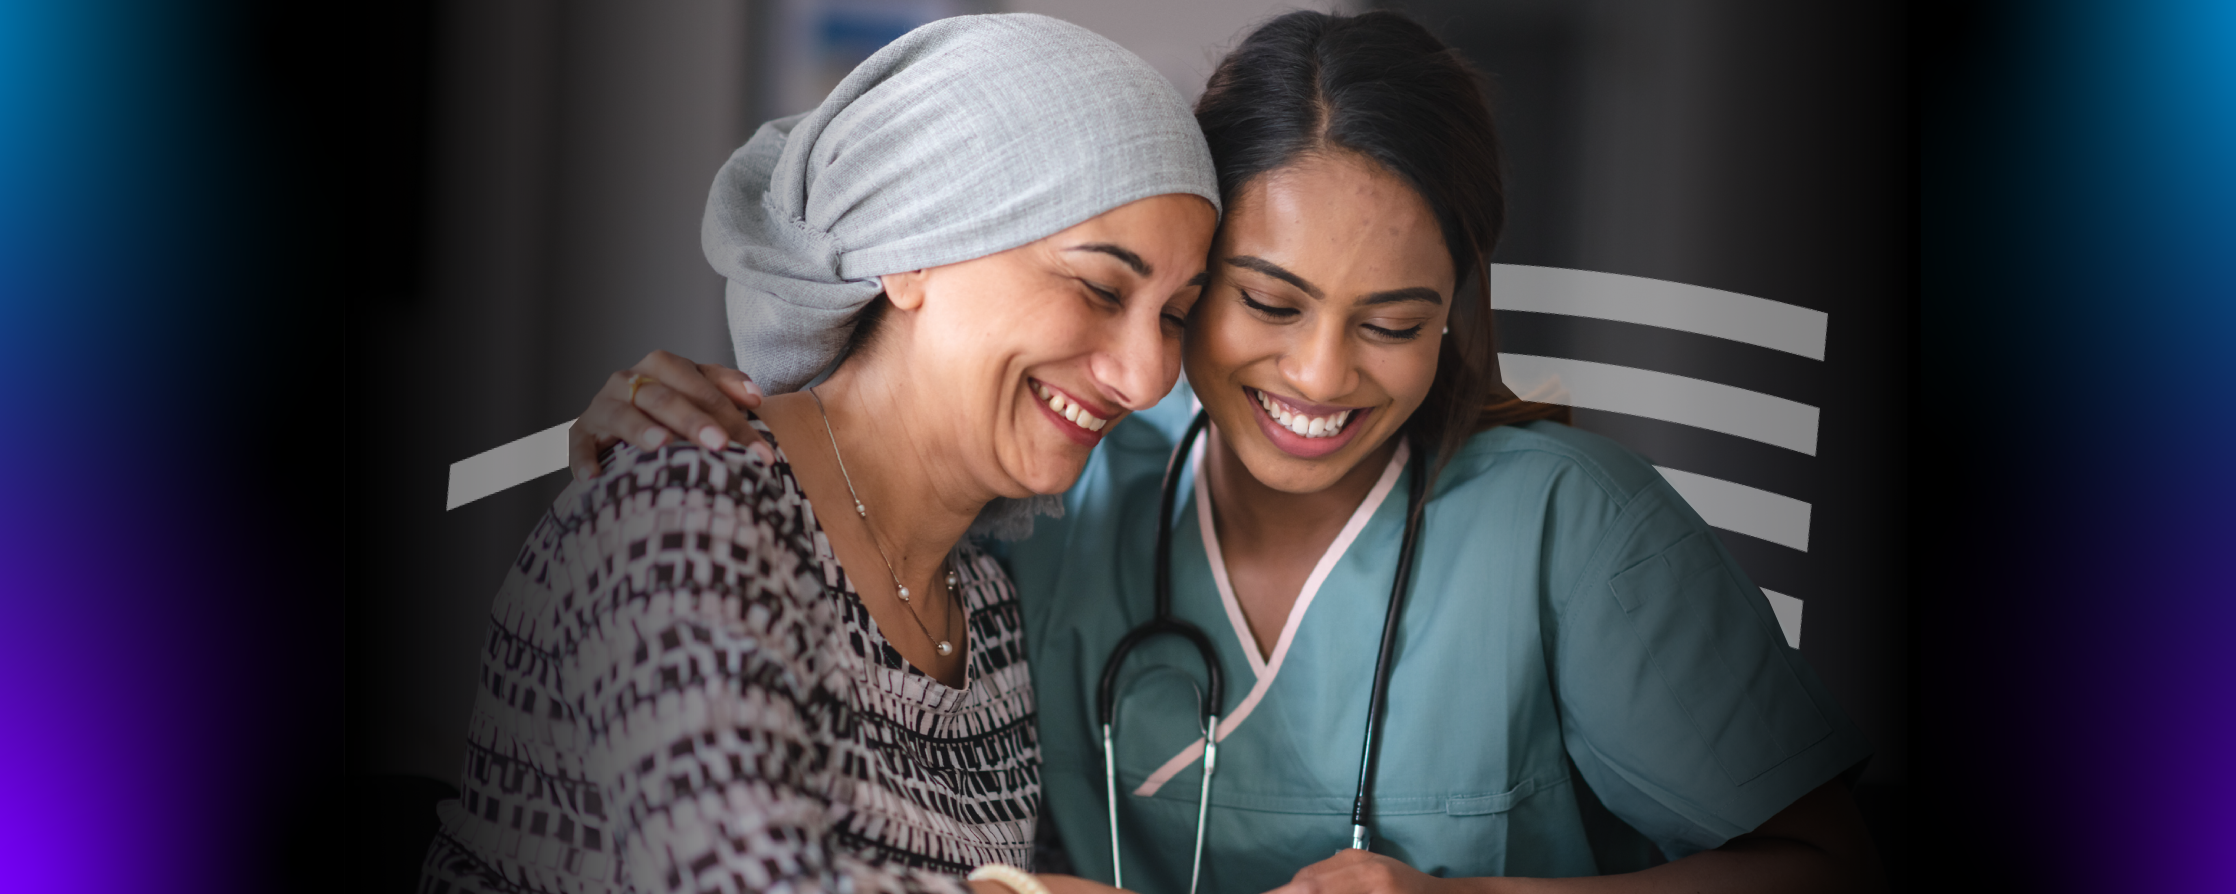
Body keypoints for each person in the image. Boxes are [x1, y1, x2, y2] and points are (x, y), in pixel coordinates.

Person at [565, 10, 1886, 894]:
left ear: (1457, 315)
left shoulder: (1571, 531)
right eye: (1258, 302)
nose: (1319, 376)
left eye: (1395, 322)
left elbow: (1838, 855)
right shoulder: (1060, 494)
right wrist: (685, 434)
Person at [419, 15, 1221, 894]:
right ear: (912, 251)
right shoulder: (689, 509)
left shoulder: (986, 602)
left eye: (1175, 314)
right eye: (1100, 287)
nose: (1148, 374)